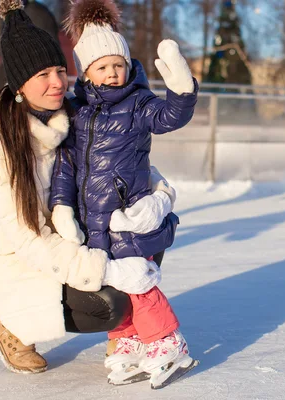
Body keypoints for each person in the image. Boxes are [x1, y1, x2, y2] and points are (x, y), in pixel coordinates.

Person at [0, 0, 166, 375]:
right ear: (18, 84)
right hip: (26, 262)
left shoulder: (72, 115)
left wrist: (160, 197)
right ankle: (10, 324)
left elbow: (122, 160)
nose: (57, 82)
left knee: (147, 235)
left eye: (60, 70)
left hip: (75, 239)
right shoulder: (2, 144)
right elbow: (28, 239)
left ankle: (123, 337)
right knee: (110, 304)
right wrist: (103, 270)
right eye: (42, 74)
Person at [49, 0, 199, 388]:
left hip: (126, 216)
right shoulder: (76, 111)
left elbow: (170, 118)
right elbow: (66, 166)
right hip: (90, 220)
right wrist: (61, 206)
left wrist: (181, 88)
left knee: (137, 279)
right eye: (103, 67)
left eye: (119, 64)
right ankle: (127, 341)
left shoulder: (138, 103)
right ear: (87, 72)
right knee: (111, 283)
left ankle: (166, 342)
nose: (113, 73)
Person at [0, 0, 60, 106]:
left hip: (38, 96)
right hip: (22, 94)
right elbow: (10, 61)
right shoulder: (13, 20)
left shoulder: (35, 14)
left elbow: (51, 58)